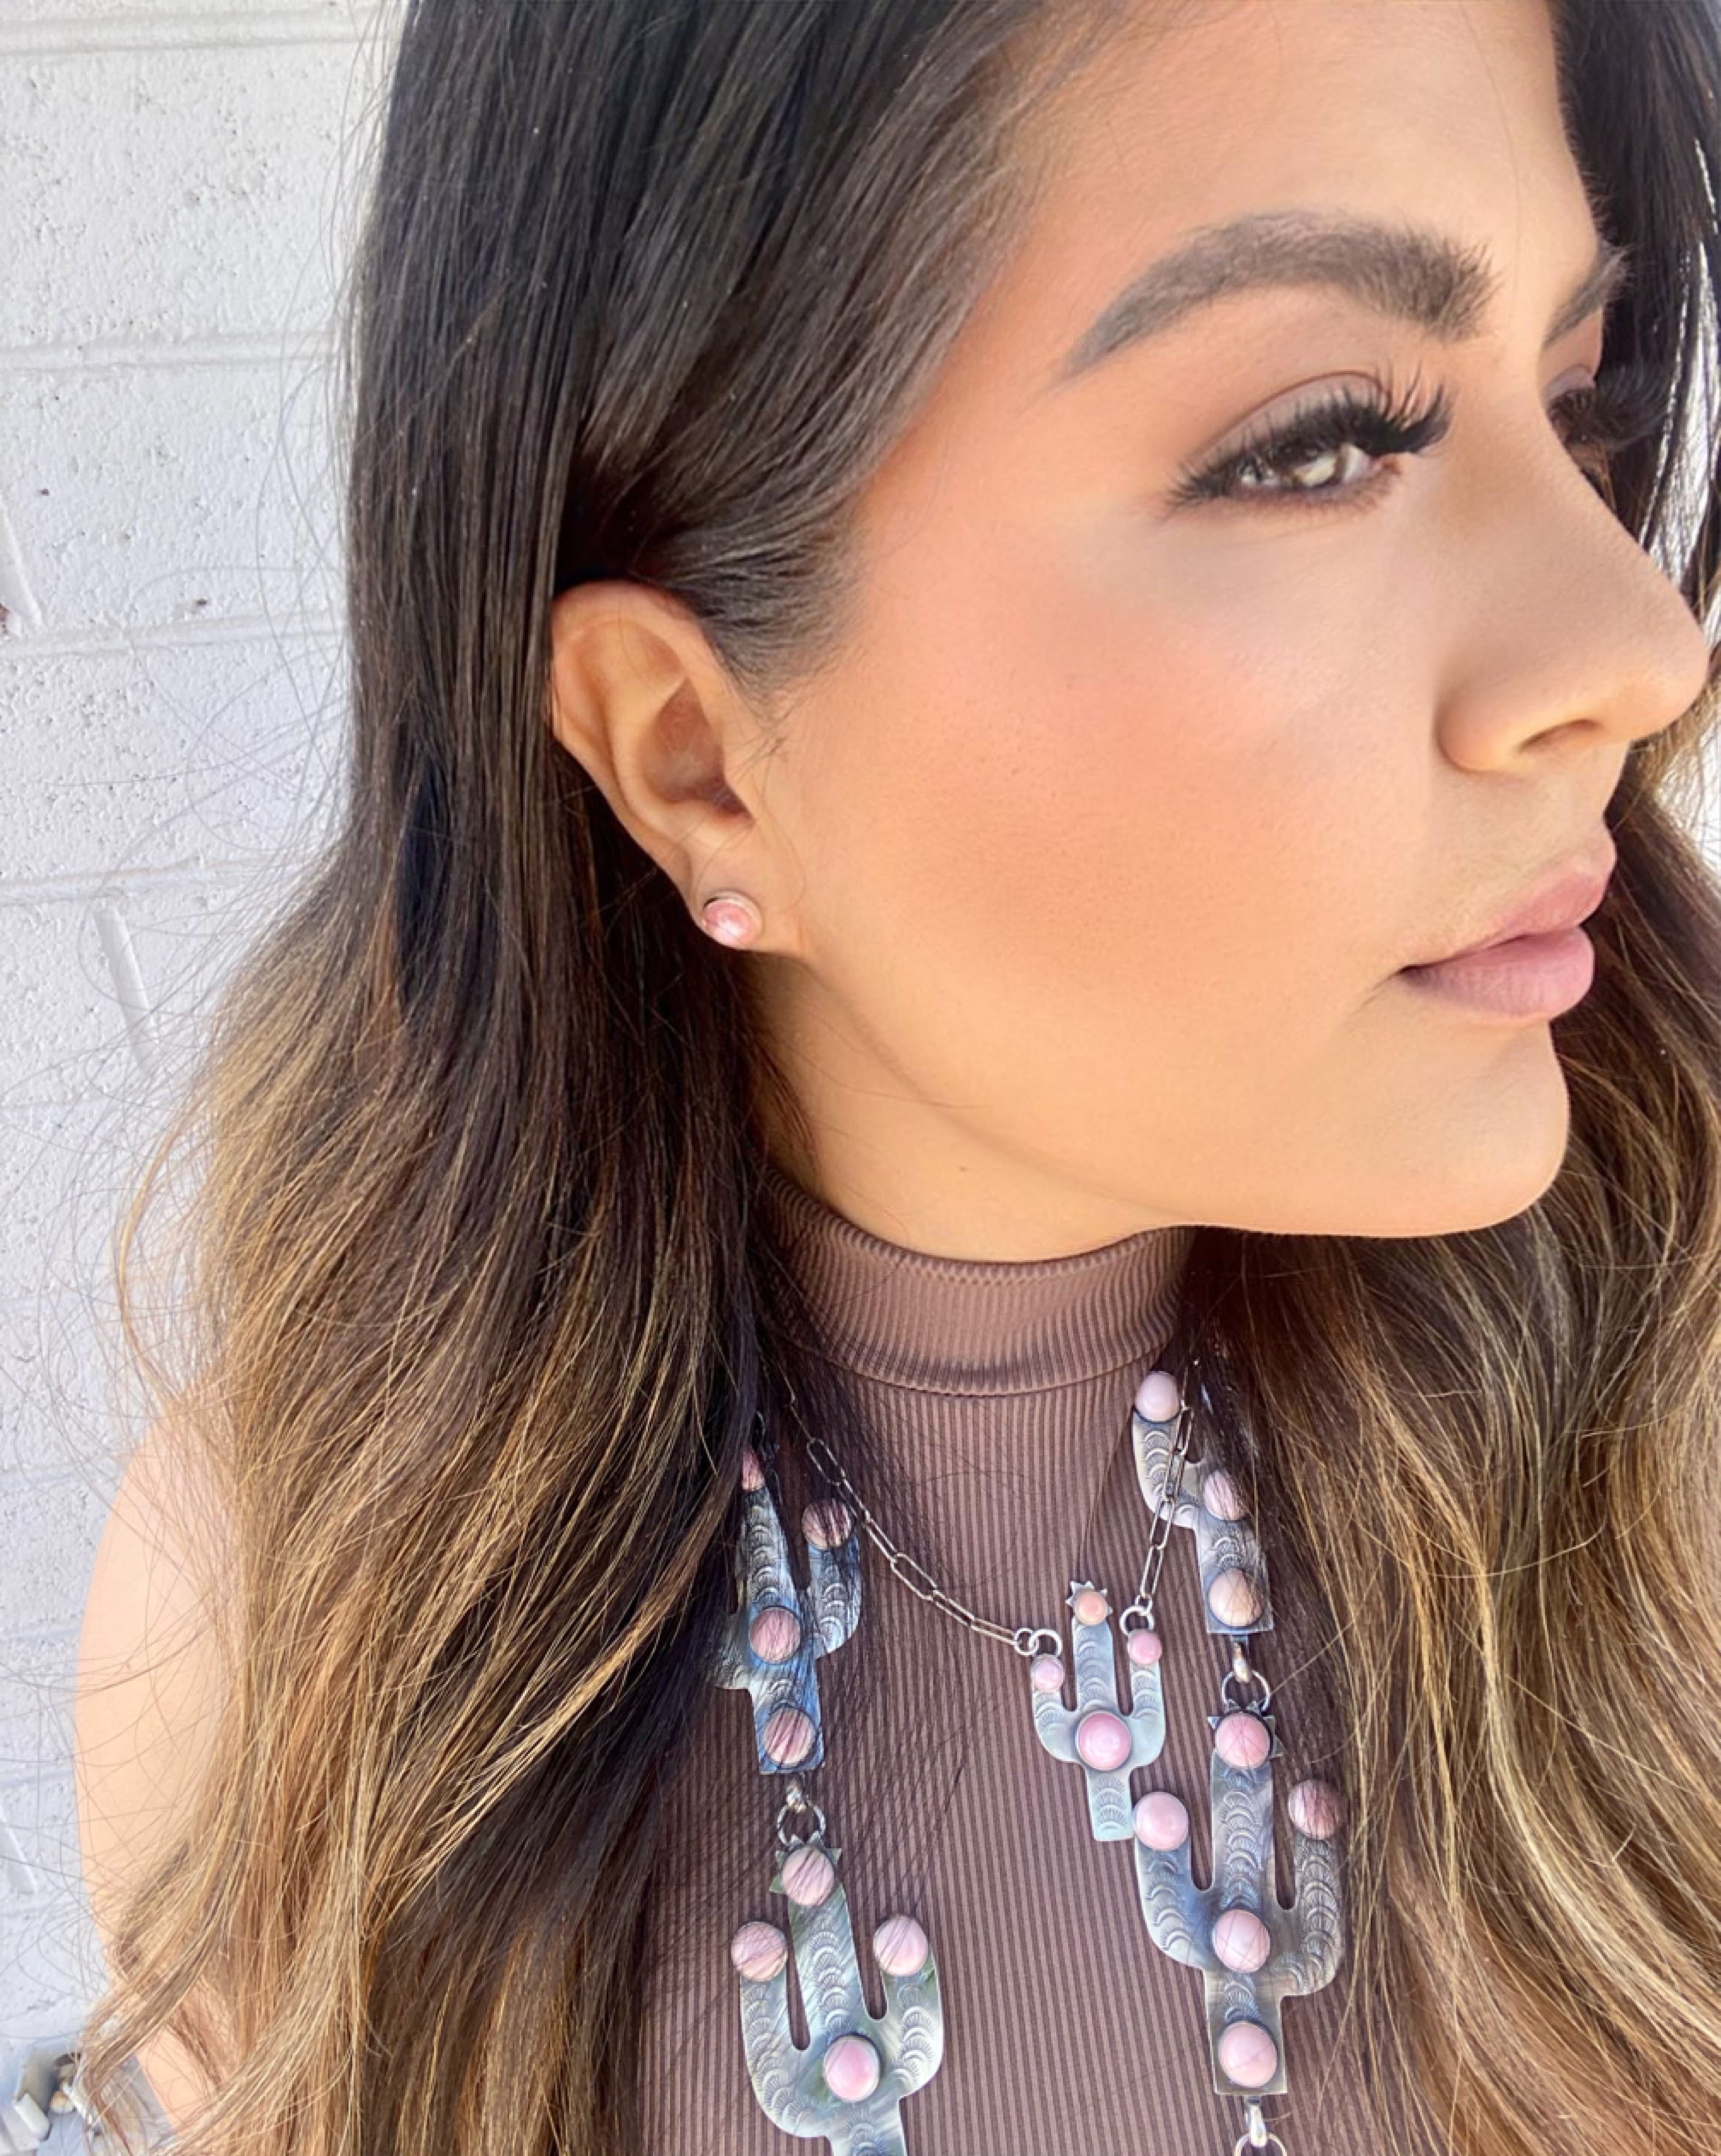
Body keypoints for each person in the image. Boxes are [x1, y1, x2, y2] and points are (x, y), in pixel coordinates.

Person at [69, 2, 1721, 2153]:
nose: (1637, 649)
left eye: (1575, 401)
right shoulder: (305, 1642)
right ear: (695, 753)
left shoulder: (1670, 1433)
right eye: (1321, 443)